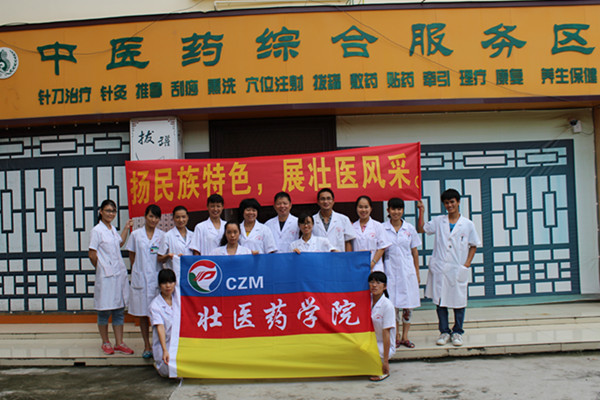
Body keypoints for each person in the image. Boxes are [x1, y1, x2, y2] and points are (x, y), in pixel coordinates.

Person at [417, 189, 481, 347]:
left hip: (457, 268)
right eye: (446, 203)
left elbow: (474, 245)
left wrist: (466, 264)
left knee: (459, 302)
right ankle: (444, 332)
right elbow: (421, 229)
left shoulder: (467, 224)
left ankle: (457, 332)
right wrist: (421, 211)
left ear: (458, 202)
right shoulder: (439, 221)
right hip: (440, 268)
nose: (449, 205)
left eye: (452, 202)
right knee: (441, 302)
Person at [88, 199, 135, 355]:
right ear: (101, 211)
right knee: (104, 311)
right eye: (108, 210)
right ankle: (105, 342)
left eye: (113, 211)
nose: (111, 214)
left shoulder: (112, 229)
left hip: (118, 275)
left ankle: (119, 343)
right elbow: (92, 253)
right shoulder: (97, 230)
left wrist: (126, 228)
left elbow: (119, 243)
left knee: (118, 310)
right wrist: (101, 268)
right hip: (106, 276)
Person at [126, 204, 165, 359]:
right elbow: (132, 256)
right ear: (145, 216)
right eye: (151, 216)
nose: (153, 220)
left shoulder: (162, 235)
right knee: (143, 314)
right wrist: (138, 272)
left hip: (156, 279)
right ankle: (146, 345)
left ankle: (157, 345)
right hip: (141, 279)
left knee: (156, 314)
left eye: (156, 217)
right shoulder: (136, 235)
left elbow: (162, 256)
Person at [382, 197, 421, 349]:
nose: (396, 212)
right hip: (390, 271)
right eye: (393, 209)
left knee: (408, 306)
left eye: (399, 209)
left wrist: (417, 273)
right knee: (393, 306)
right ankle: (396, 336)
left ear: (403, 210)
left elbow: (414, 252)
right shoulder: (383, 228)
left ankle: (405, 336)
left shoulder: (409, 229)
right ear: (388, 210)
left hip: (407, 271)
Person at [148, 268, 178, 378]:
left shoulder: (178, 300)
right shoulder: (155, 305)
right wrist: (165, 350)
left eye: (171, 282)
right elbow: (160, 328)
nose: (168, 286)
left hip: (178, 343)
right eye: (164, 283)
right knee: (170, 370)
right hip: (165, 345)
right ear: (159, 285)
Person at [368, 271, 395, 382]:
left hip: (383, 344)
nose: (374, 285)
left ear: (385, 287)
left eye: (378, 283)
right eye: (372, 282)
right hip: (370, 340)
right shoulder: (366, 300)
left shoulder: (387, 305)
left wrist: (386, 362)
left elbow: (386, 333)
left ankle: (382, 370)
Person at [352, 196, 390, 271]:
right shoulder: (352, 227)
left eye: (366, 207)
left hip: (375, 267)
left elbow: (382, 248)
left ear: (371, 208)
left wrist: (372, 264)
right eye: (360, 207)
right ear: (356, 208)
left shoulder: (378, 226)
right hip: (357, 266)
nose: (363, 210)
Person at [158, 205, 194, 271]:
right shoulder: (168, 236)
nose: (181, 220)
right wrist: (168, 256)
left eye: (183, 217)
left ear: (187, 217)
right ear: (173, 218)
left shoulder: (193, 235)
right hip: (174, 272)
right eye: (177, 217)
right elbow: (159, 258)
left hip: (190, 271)